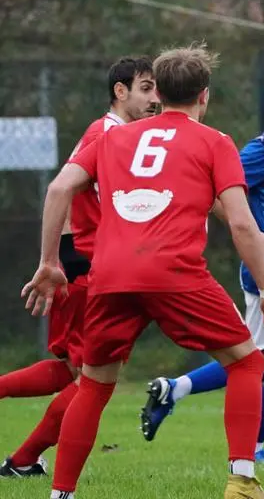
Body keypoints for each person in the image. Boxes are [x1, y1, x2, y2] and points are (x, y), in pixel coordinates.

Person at [21, 44, 264, 499]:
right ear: (204, 95)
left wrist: (49, 262)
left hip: (110, 275)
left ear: (158, 92)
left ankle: (60, 493)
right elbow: (241, 221)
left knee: (94, 384)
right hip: (175, 272)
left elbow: (59, 186)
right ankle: (242, 481)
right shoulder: (215, 141)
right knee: (247, 362)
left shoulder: (111, 138)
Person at [140, 64, 264, 465]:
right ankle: (253, 446)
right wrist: (242, 226)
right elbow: (218, 190)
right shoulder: (263, 148)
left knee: (256, 358)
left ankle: (174, 387)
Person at [0, 56, 159, 478]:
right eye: (145, 87)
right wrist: (66, 257)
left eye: (157, 89)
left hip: (95, 267)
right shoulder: (105, 132)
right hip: (90, 269)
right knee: (90, 380)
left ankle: (23, 460)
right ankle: (23, 459)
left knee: (76, 373)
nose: (154, 98)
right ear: (120, 91)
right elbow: (63, 188)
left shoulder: (123, 134)